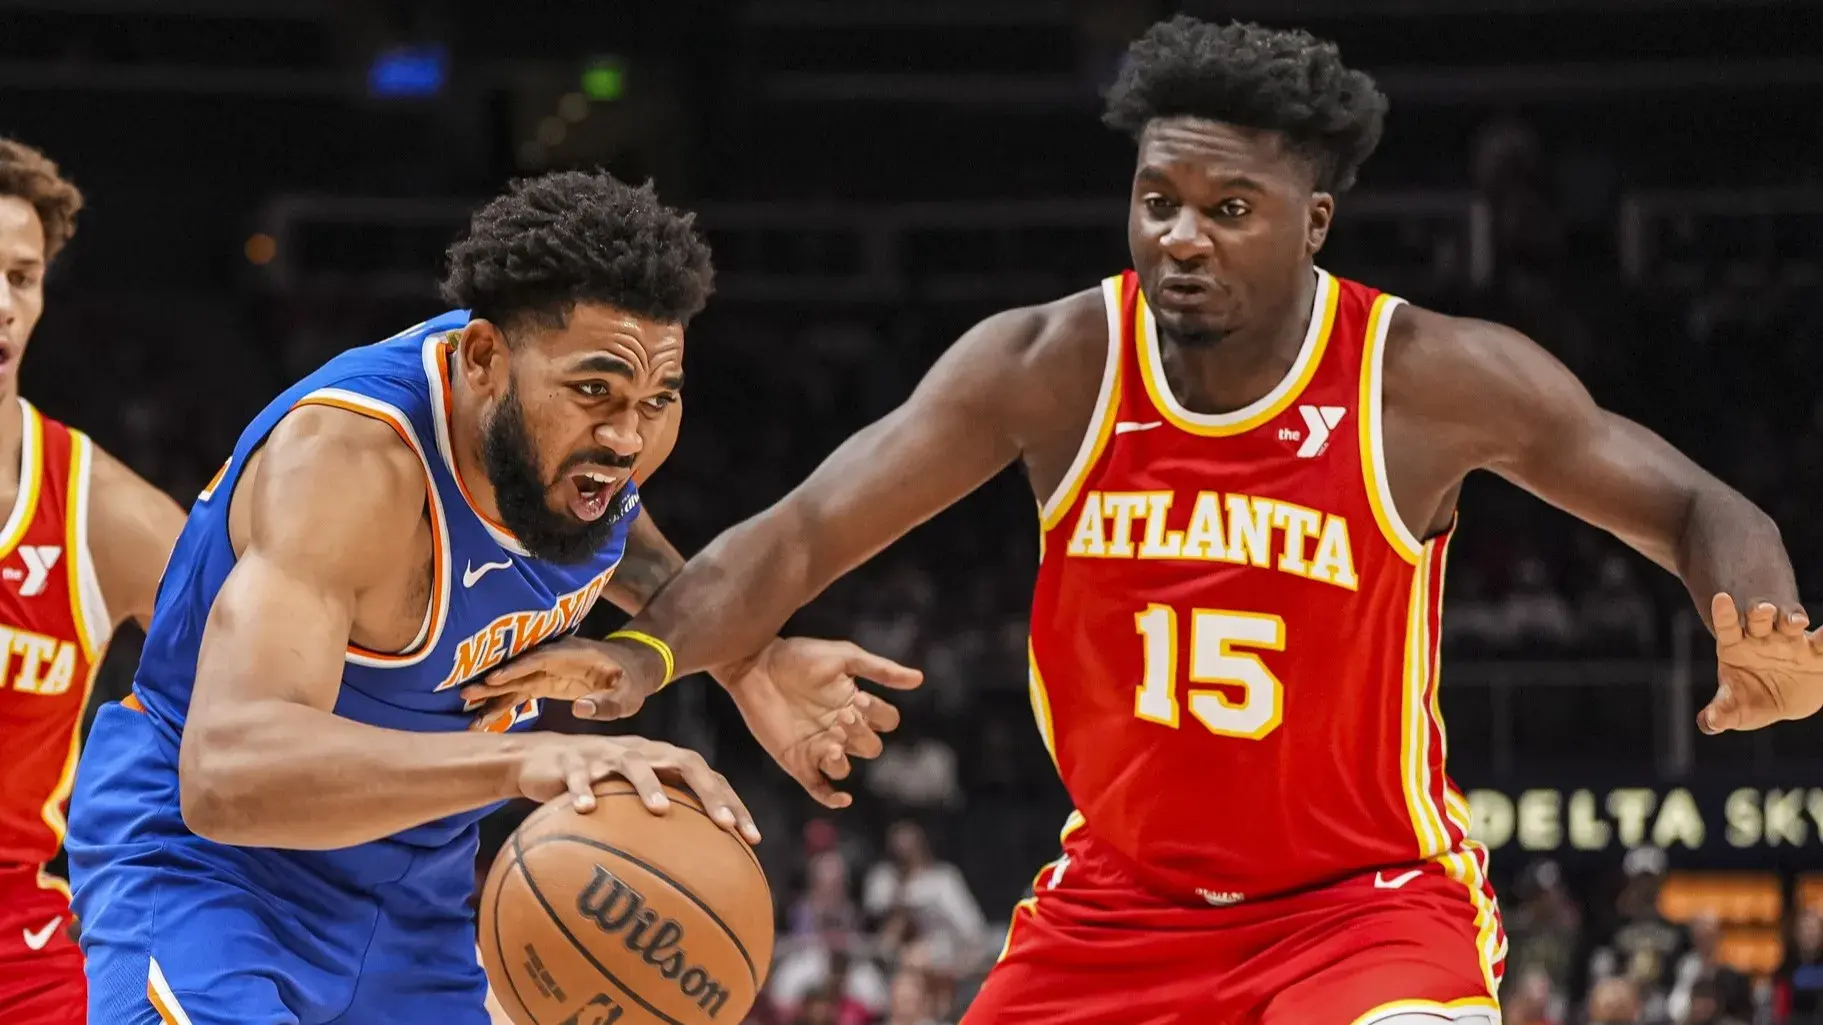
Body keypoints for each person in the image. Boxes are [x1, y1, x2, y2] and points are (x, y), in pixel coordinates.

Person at [471, 18, 1823, 1025]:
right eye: (1156, 200)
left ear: (1312, 221)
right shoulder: (1049, 366)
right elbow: (806, 531)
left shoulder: (1424, 381)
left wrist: (1749, 615)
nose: (1179, 236)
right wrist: (648, 659)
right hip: (1113, 909)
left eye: (1226, 210)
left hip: (1360, 906)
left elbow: (1696, 503)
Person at [64, 170, 918, 1025]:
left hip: (416, 888)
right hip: (213, 873)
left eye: (659, 400)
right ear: (482, 362)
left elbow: (633, 553)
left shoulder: (574, 454)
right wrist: (527, 760)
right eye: (598, 394)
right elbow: (226, 774)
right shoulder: (348, 467)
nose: (627, 438)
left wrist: (747, 657)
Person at [0, 138, 186, 1025]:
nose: (1, 304)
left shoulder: (96, 509)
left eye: (22, 276)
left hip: (22, 960)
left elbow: (274, 686)